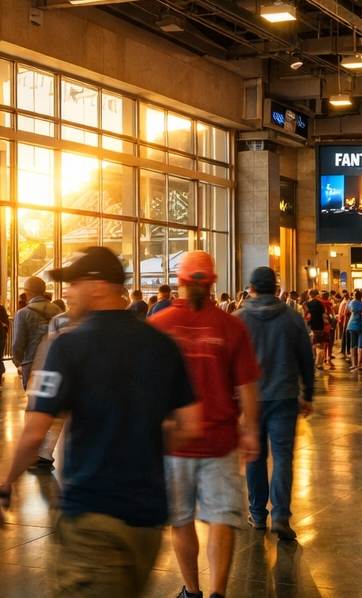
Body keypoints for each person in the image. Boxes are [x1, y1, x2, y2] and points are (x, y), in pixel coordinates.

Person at [0, 247, 201, 598]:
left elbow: (33, 435)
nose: (67, 293)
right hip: (147, 521)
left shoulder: (69, 347)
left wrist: (1, 485)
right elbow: (190, 425)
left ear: (99, 286)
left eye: (73, 284)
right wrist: (139, 444)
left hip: (93, 517)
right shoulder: (162, 344)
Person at [151, 253, 260, 598]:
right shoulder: (231, 326)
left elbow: (147, 387)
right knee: (220, 519)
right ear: (212, 283)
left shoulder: (159, 325)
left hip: (174, 445)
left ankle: (192, 592)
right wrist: (252, 430)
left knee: (180, 520)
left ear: (180, 282)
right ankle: (217, 593)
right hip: (221, 441)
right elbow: (246, 387)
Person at [236, 265, 314, 540]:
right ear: (277, 289)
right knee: (283, 458)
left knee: (254, 456)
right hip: (284, 395)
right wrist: (309, 394)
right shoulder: (292, 317)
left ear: (251, 289)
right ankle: (281, 514)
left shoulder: (239, 319)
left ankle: (257, 514)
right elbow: (306, 359)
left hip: (251, 399)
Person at [303, 290, 330, 370]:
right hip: (320, 325)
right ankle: (320, 363)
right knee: (321, 344)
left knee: (313, 343)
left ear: (310, 294)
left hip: (311, 325)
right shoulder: (320, 303)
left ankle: (314, 360)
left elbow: (305, 314)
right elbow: (323, 313)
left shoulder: (307, 303)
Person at [345, 291, 362, 370]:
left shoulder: (350, 303)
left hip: (352, 325)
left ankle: (354, 364)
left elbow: (346, 312)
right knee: (361, 345)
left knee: (353, 345)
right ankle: (360, 364)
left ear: (354, 296)